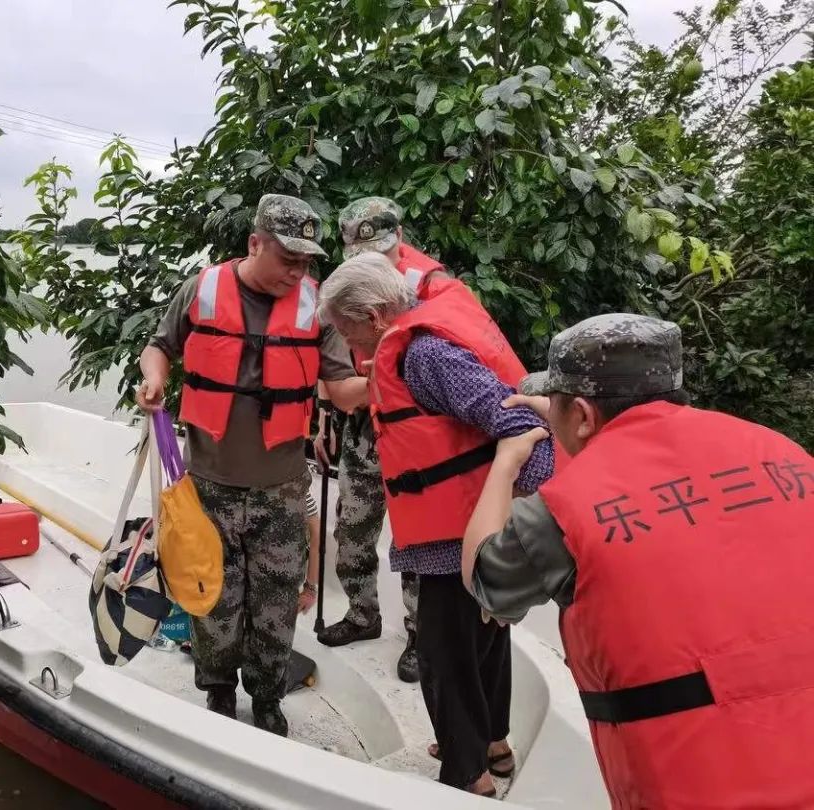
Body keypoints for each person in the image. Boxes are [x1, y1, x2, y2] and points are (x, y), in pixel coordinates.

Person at [462, 313, 814, 809]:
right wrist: (566, 416)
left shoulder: (564, 511)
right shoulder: (784, 453)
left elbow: (486, 578)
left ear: (582, 414)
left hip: (694, 785)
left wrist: (505, 465)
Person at [317, 252, 554, 796]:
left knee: (442, 656)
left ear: (375, 316)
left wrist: (538, 504)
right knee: (485, 641)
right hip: (467, 525)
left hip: (461, 534)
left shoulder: (423, 356)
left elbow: (513, 414)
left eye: (345, 328)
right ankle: (492, 745)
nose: (345, 343)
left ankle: (466, 777)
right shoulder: (411, 348)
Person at [136, 194, 367, 738]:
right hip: (209, 486)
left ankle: (266, 699)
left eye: (306, 261)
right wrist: (155, 377)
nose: (297, 270)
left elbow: (341, 389)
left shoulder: (316, 307)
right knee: (212, 599)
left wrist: (382, 380)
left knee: (276, 606)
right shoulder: (202, 289)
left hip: (282, 491)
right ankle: (218, 692)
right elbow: (158, 346)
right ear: (254, 243)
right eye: (287, 257)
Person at [313, 197, 476, 681]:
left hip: (417, 428)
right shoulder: (351, 287)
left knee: (416, 534)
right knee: (353, 526)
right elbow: (333, 359)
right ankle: (363, 614)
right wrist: (325, 410)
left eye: (381, 249)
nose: (373, 259)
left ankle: (419, 634)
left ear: (399, 237)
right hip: (364, 422)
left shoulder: (436, 288)